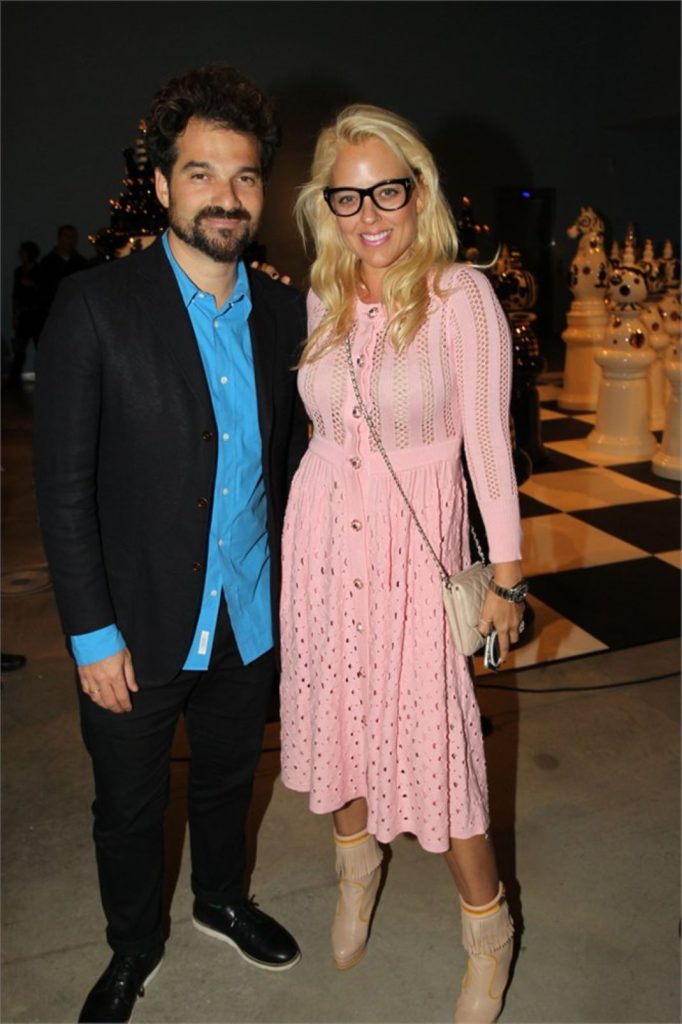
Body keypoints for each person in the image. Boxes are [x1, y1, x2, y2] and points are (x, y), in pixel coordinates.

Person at [34, 65, 308, 1024]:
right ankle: (132, 944)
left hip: (249, 610)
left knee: (231, 778)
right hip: (136, 626)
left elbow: (296, 462)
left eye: (243, 176)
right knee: (128, 805)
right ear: (161, 185)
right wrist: (90, 633)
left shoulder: (286, 312)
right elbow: (62, 490)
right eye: (201, 173)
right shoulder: (94, 307)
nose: (225, 196)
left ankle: (221, 899)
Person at [279, 104, 526, 1024]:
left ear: (419, 191)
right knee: (338, 717)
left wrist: (507, 577)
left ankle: (488, 929)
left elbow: (490, 448)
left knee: (441, 748)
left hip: (413, 551)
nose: (368, 214)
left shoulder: (462, 297)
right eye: (347, 197)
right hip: (322, 536)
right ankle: (356, 870)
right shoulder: (322, 294)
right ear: (326, 205)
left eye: (387, 190)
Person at [36, 224, 88, 332]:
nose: (70, 240)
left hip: (75, 312)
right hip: (52, 312)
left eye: (73, 237)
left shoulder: (80, 262)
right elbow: (42, 290)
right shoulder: (47, 263)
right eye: (66, 236)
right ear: (59, 238)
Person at [6, 241, 41, 387]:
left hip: (37, 314)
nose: (21, 256)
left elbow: (45, 291)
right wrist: (15, 315)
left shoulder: (40, 271)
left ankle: (45, 376)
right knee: (19, 349)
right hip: (24, 314)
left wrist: (33, 285)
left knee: (41, 347)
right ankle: (14, 379)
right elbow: (16, 295)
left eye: (23, 253)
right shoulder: (19, 271)